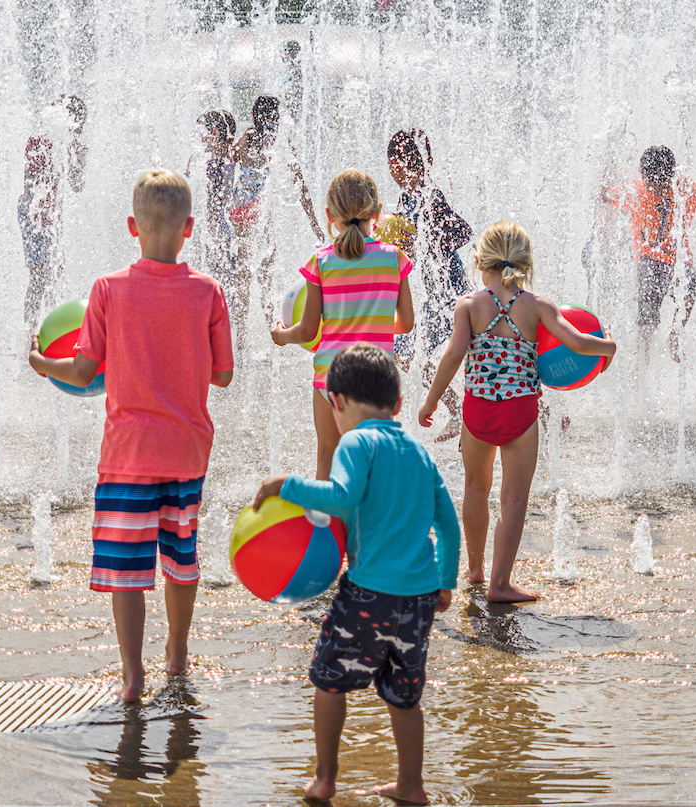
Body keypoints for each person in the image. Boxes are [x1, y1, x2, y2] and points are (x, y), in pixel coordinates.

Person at [27, 169, 234, 702]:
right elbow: (223, 374)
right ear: (190, 227)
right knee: (180, 560)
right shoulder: (209, 293)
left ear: (131, 226)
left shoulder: (107, 290)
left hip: (127, 455)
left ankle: (132, 674)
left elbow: (82, 370)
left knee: (127, 569)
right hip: (187, 451)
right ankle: (179, 654)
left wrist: (41, 362)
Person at [253, 344, 460, 805]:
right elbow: (447, 521)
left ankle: (325, 779)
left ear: (337, 402)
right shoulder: (420, 455)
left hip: (369, 592)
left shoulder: (355, 441)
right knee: (404, 692)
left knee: (328, 677)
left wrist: (283, 484)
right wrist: (446, 580)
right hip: (421, 597)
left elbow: (343, 498)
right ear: (400, 405)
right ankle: (411, 785)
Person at [419, 222, 616, 602]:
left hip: (477, 413)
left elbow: (453, 356)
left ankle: (474, 570)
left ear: (481, 261)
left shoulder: (469, 306)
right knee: (513, 499)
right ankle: (500, 584)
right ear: (525, 263)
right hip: (520, 414)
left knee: (476, 489)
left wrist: (430, 402)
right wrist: (608, 348)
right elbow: (575, 340)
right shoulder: (537, 306)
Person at [270, 169, 414, 481]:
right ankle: (374, 526)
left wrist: (281, 335)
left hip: (330, 376)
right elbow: (407, 323)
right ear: (376, 213)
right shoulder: (394, 259)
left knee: (327, 457)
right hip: (377, 377)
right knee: (374, 464)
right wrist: (371, 325)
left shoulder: (321, 262)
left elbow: (307, 332)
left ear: (329, 215)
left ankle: (326, 529)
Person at [386, 128, 473, 441]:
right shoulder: (407, 196)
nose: (393, 171)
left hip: (450, 292)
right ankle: (458, 412)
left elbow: (463, 231)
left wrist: (427, 243)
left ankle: (543, 412)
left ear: (399, 164)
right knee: (410, 359)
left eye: (393, 163)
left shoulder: (430, 195)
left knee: (479, 350)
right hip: (431, 296)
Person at [603, 145, 696, 363]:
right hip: (648, 259)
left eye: (663, 185)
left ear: (672, 176)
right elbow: (605, 194)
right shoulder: (634, 189)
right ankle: (642, 360)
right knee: (647, 320)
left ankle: (676, 334)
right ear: (643, 177)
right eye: (652, 185)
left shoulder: (681, 186)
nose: (658, 190)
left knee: (691, 286)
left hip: (677, 259)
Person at [229, 95, 323, 342]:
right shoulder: (281, 146)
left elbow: (226, 175)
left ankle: (239, 338)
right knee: (265, 274)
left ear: (252, 117)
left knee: (243, 274)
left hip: (241, 212)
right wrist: (314, 222)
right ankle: (273, 332)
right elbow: (300, 185)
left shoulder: (243, 141)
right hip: (261, 212)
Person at [19, 94, 88, 332]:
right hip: (34, 215)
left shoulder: (68, 144)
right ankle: (30, 332)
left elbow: (77, 184)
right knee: (40, 276)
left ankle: (53, 328)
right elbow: (37, 182)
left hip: (51, 218)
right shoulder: (38, 141)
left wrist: (78, 158)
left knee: (55, 273)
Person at [190, 110, 238, 299]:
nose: (200, 139)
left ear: (216, 133)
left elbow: (211, 212)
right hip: (230, 236)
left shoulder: (213, 167)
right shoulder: (235, 163)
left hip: (215, 240)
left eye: (203, 133)